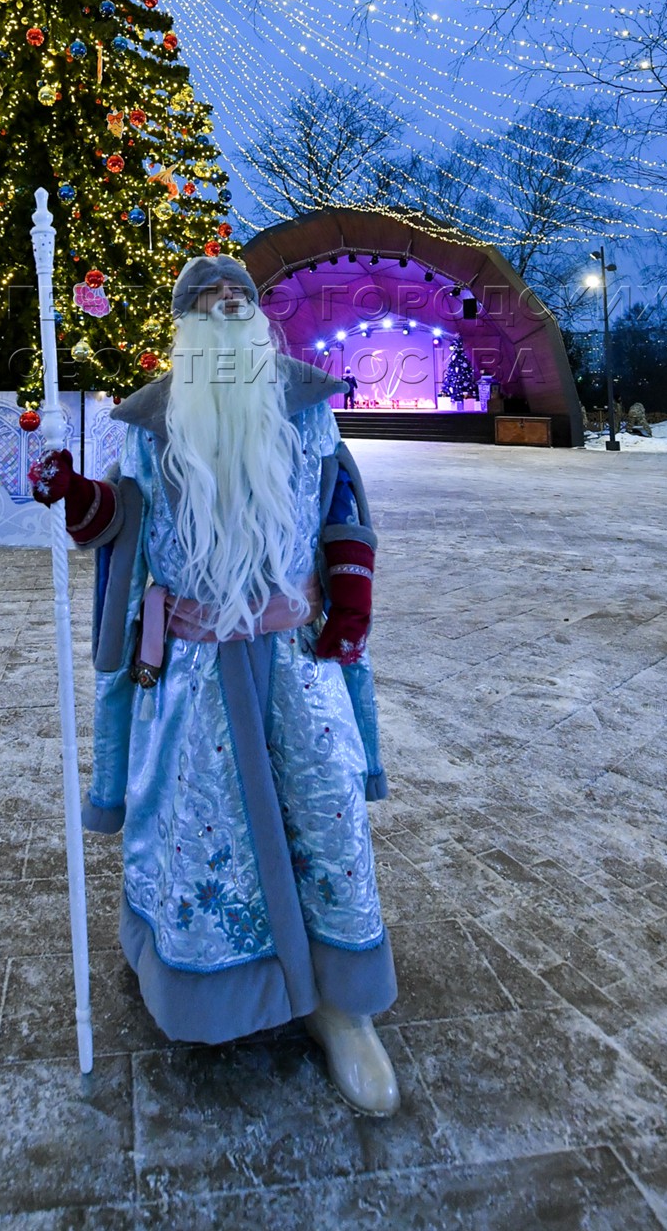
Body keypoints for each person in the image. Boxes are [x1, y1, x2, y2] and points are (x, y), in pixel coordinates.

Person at [31, 255, 398, 1114]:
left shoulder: (305, 403)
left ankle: (344, 1005)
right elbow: (124, 518)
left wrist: (349, 596)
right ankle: (209, 982)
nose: (225, 303)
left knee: (322, 815)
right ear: (186, 325)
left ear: (258, 317)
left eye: (239, 295)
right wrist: (77, 495)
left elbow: (342, 501)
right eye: (206, 298)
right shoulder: (153, 423)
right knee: (200, 823)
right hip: (192, 667)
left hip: (294, 662)